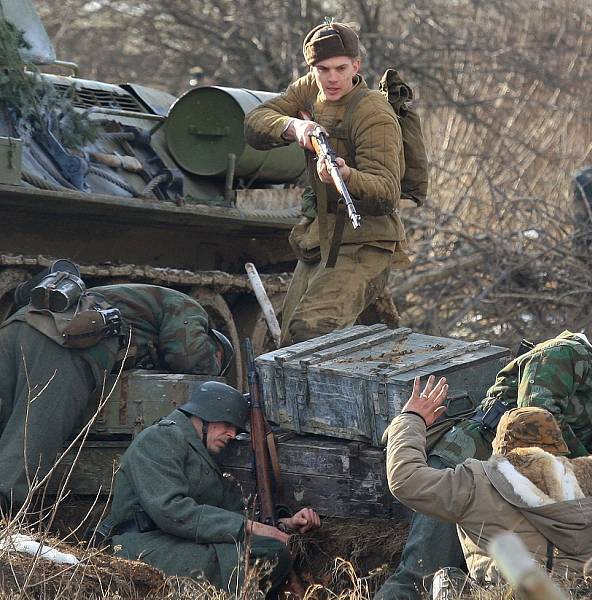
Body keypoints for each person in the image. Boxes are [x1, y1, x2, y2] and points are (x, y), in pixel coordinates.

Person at [376, 324, 592, 600]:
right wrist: (589, 464)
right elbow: (538, 413)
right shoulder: (565, 353)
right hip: (467, 462)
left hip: (513, 487)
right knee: (423, 570)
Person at [0, 278, 232, 511]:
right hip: (62, 344)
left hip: (19, 326)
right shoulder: (190, 308)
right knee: (33, 438)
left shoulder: (135, 308)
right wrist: (213, 369)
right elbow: (189, 358)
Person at [244, 21, 406, 347]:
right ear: (311, 68)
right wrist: (294, 128)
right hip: (322, 237)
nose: (332, 78)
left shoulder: (373, 113)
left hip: (366, 241)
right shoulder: (309, 90)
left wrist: (347, 175)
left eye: (341, 69)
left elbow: (388, 191)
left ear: (356, 66)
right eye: (323, 69)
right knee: (288, 343)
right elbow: (255, 122)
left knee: (310, 333)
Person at [104, 381, 320, 594]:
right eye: (227, 425)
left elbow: (229, 510)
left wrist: (286, 523)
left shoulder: (200, 453)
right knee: (268, 553)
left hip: (177, 541)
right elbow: (171, 511)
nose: (232, 434)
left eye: (235, 429)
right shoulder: (159, 439)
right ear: (204, 416)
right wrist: (248, 527)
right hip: (145, 545)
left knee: (271, 550)